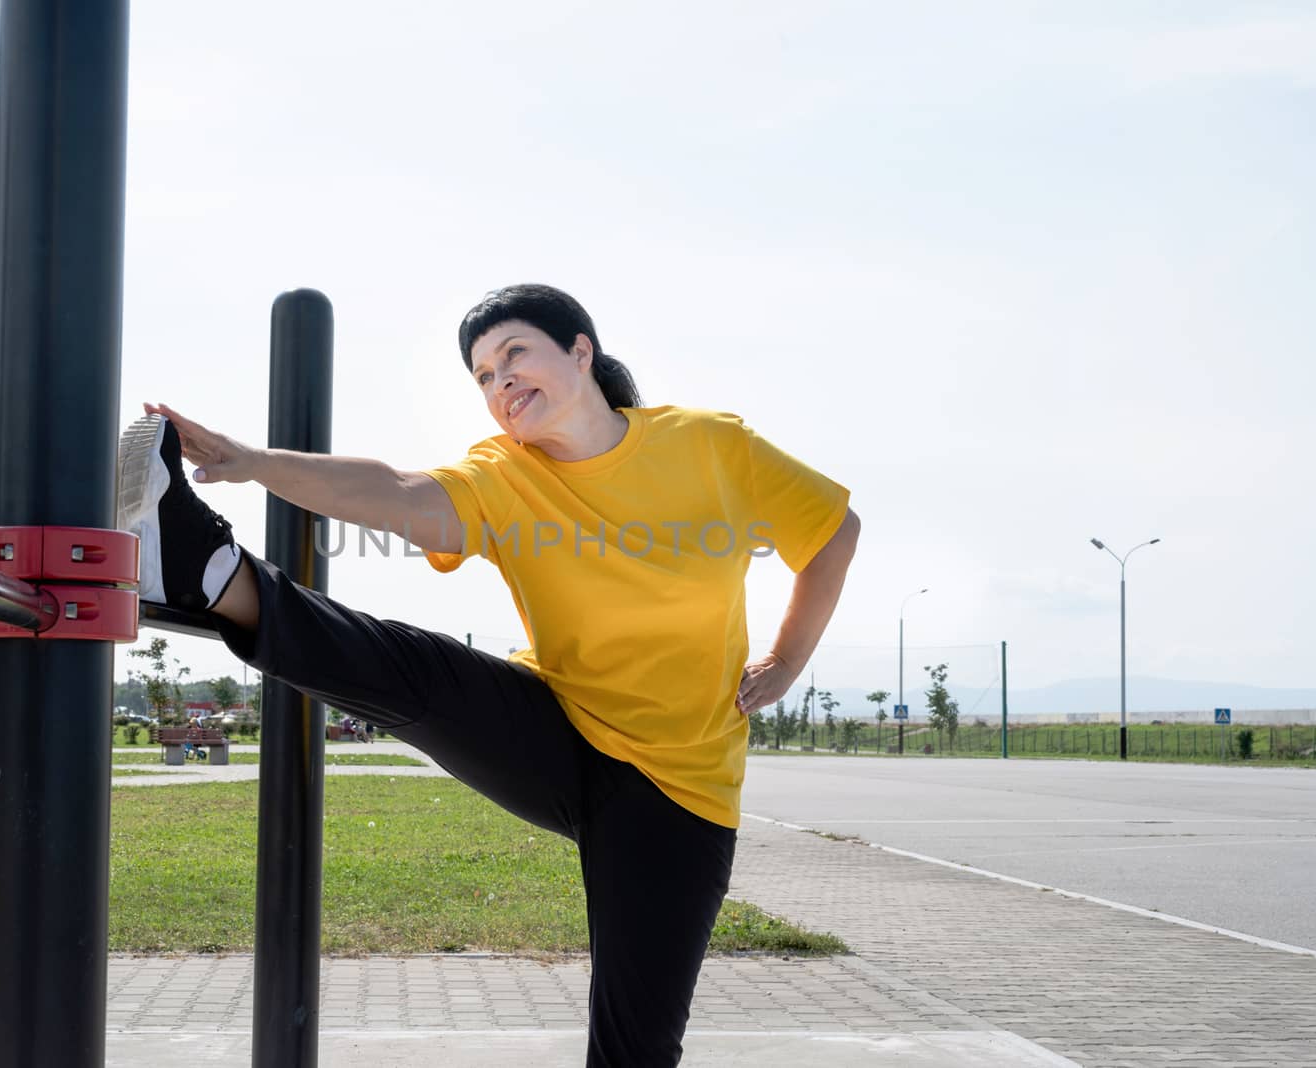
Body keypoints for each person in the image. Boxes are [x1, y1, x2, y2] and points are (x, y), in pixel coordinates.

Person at [117, 283, 858, 1066]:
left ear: (581, 351)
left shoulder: (710, 445)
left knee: (637, 1047)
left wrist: (785, 660)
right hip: (556, 730)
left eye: (513, 356)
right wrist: (248, 462)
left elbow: (831, 530)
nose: (499, 383)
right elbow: (396, 491)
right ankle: (210, 569)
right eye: (481, 376)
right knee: (411, 669)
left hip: (678, 791)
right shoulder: (504, 474)